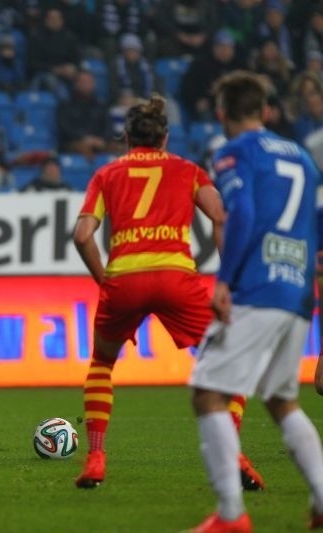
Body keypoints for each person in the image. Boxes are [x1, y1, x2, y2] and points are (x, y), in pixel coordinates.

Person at [189, 70, 323, 532]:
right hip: (299, 288)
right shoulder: (303, 156)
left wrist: (225, 280)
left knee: (207, 392)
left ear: (223, 113)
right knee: (282, 398)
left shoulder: (232, 152)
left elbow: (240, 212)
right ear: (266, 111)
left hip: (260, 286)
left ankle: (230, 515)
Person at [72, 95, 227, 488]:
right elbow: (221, 217)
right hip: (176, 276)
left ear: (125, 137)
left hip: (124, 278)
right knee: (225, 357)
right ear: (166, 137)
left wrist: (104, 279)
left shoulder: (106, 175)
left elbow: (82, 236)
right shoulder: (189, 170)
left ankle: (95, 458)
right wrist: (229, 279)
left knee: (102, 363)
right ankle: (233, 453)